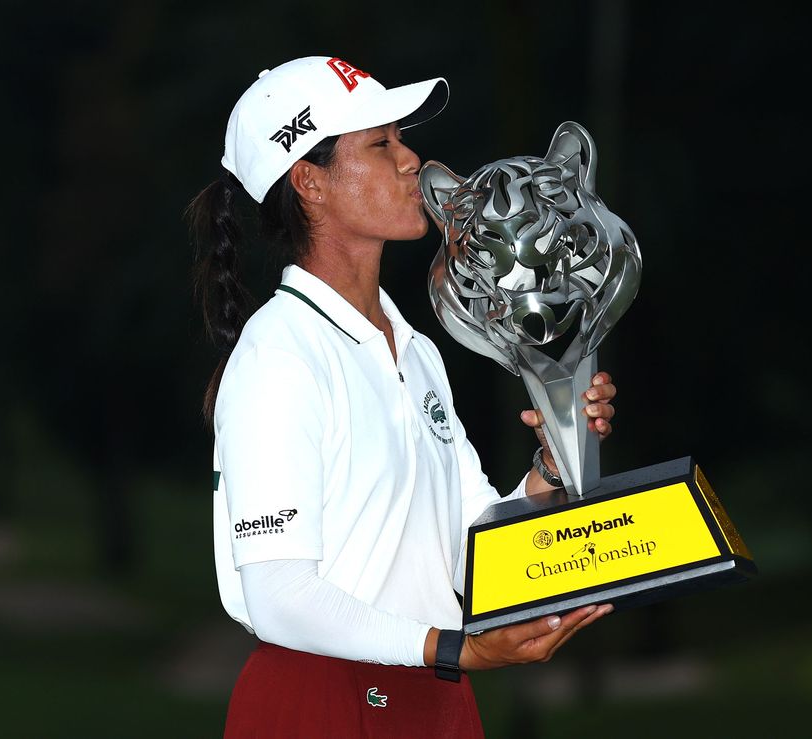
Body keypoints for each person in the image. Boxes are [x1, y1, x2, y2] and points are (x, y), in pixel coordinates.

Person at [188, 56, 619, 737]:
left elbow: (470, 551)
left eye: (400, 140)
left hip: (431, 695)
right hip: (322, 698)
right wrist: (458, 647)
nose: (411, 159)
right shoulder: (281, 353)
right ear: (310, 182)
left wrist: (551, 467)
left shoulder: (414, 348)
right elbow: (279, 596)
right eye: (380, 144)